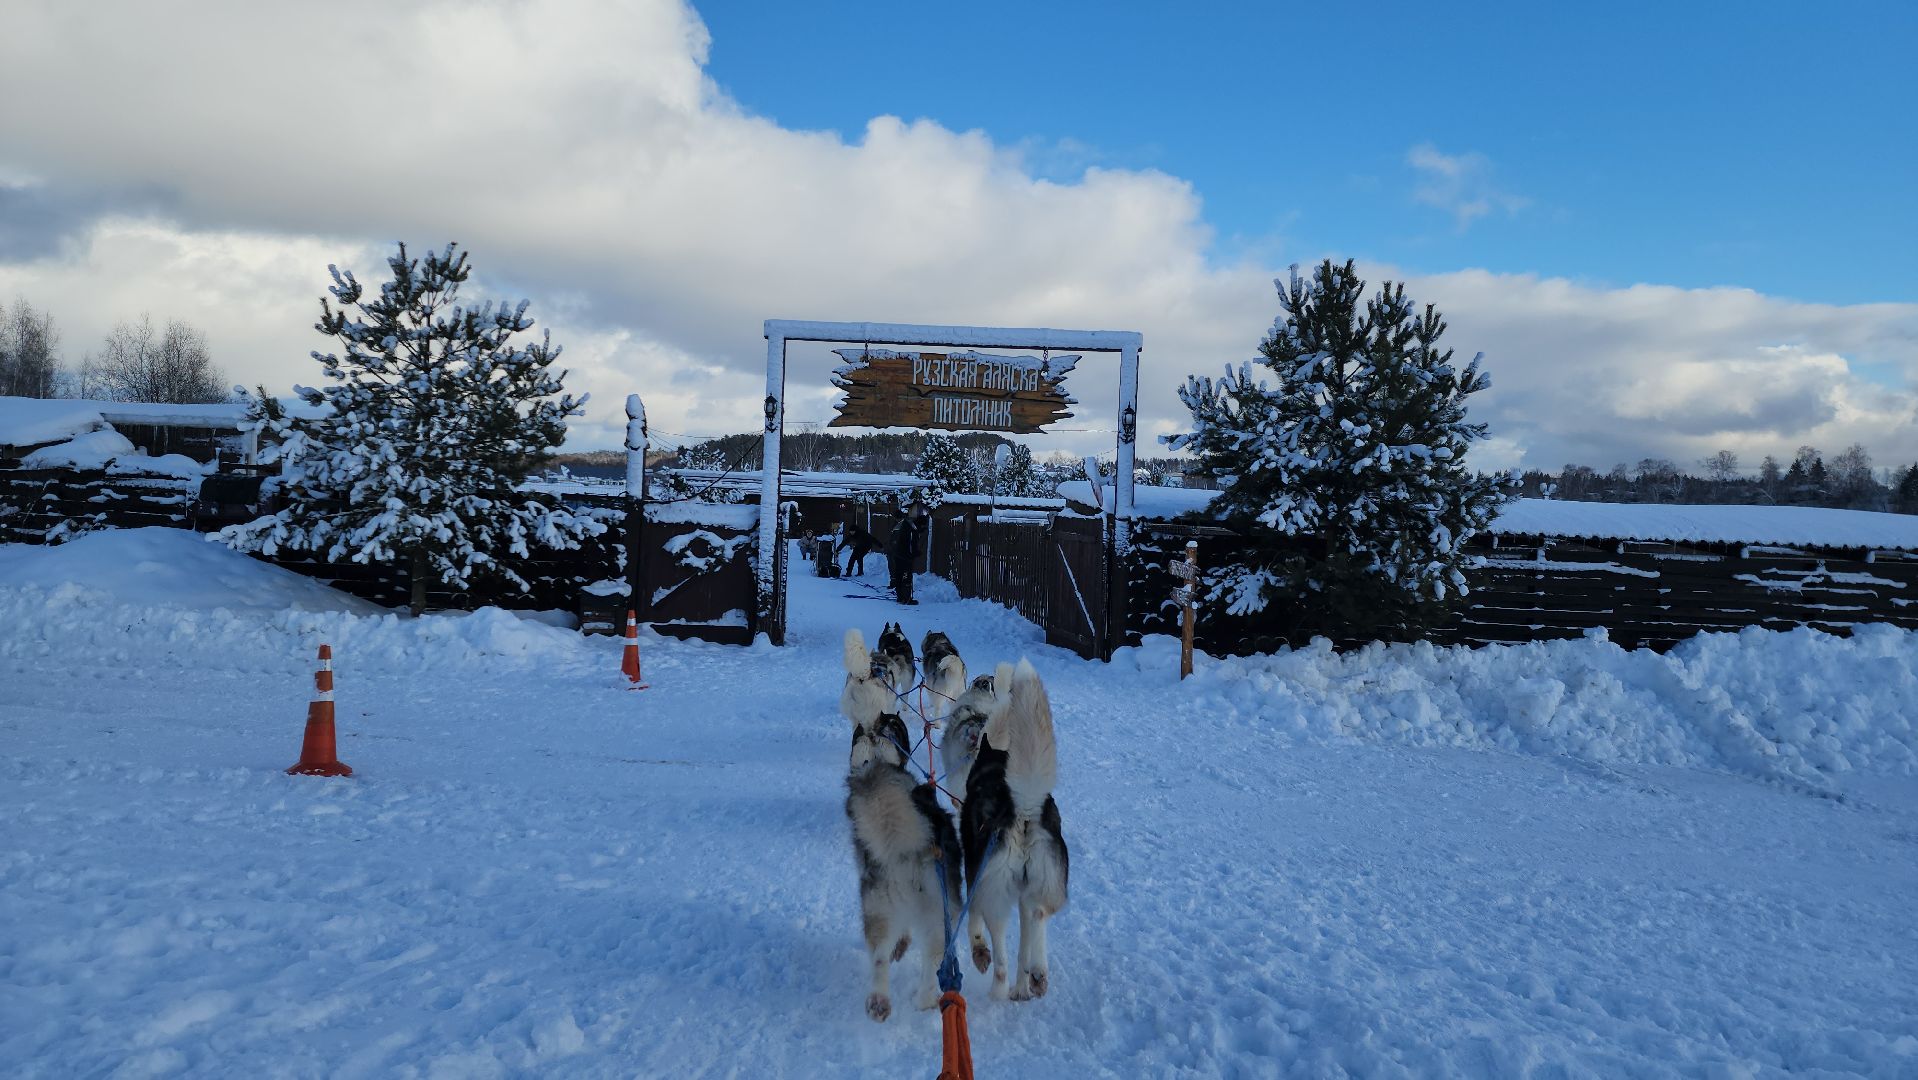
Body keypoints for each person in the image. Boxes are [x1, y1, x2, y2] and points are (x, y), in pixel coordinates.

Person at [888, 501, 929, 605]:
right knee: (906, 577)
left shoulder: (906, 525)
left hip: (898, 555)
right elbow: (910, 545)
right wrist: (915, 553)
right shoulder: (911, 531)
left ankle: (900, 597)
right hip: (905, 558)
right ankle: (906, 599)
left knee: (899, 576)